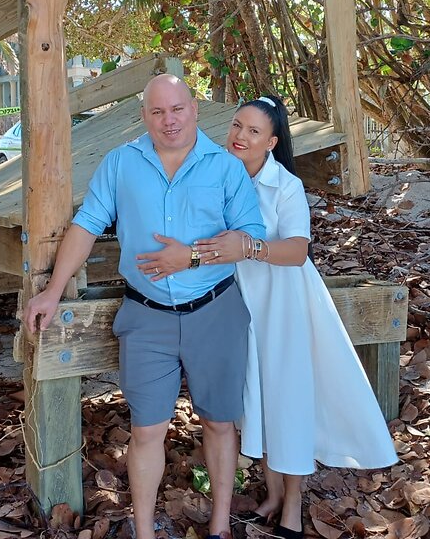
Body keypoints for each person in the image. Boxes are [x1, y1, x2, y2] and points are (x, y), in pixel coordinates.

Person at [24, 74, 265, 539]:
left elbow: (249, 239)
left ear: (194, 109)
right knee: (147, 429)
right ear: (144, 116)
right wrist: (53, 291)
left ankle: (219, 526)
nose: (168, 120)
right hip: (146, 314)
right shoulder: (121, 163)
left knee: (218, 422)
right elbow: (88, 222)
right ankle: (144, 532)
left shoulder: (225, 167)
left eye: (177, 109)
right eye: (157, 112)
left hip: (216, 310)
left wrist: (191, 255)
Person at [151, 96, 399, 539]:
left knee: (287, 398)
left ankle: (294, 506)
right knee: (254, 397)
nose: (240, 136)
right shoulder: (217, 175)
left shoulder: (284, 185)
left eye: (253, 131)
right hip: (234, 300)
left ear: (271, 141)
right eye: (236, 126)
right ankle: (271, 491)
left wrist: (249, 247)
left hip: (284, 302)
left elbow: (298, 251)